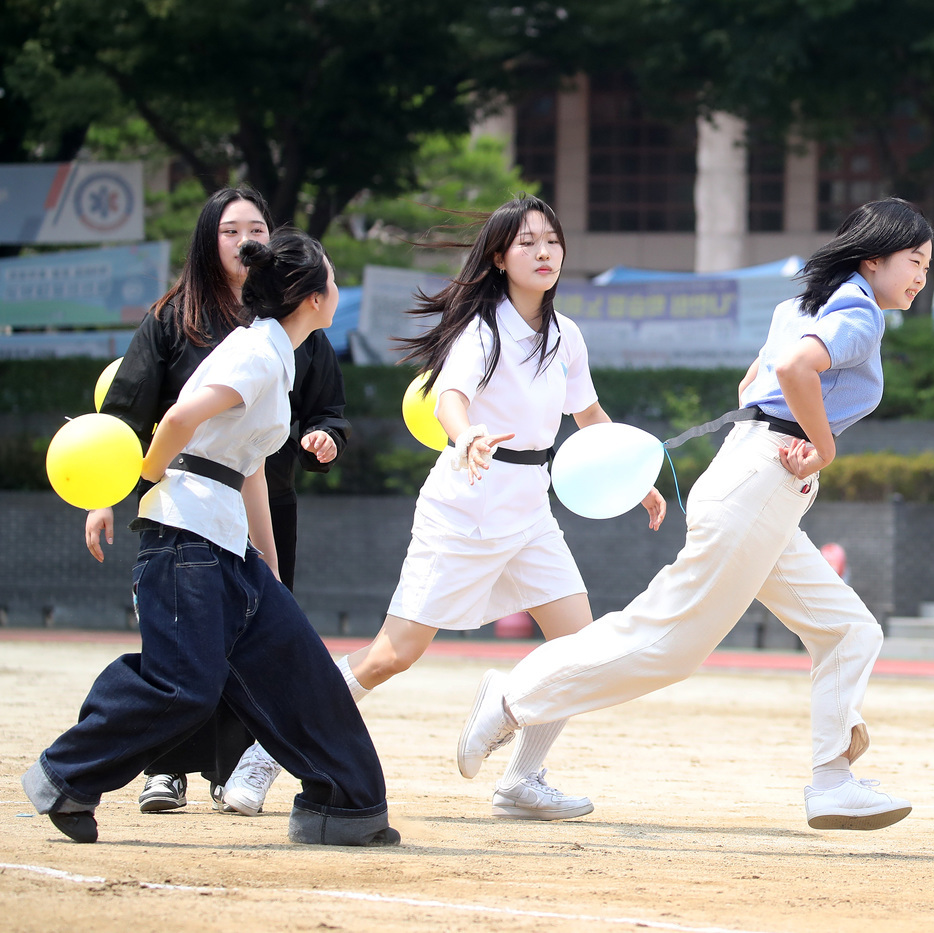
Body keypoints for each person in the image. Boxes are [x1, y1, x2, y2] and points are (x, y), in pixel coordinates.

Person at [456, 197, 931, 831]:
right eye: (915, 260)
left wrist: (788, 427)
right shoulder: (859, 312)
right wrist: (822, 442)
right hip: (760, 485)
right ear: (873, 261)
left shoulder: (804, 304)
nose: (921, 275)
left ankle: (832, 782)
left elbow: (755, 382)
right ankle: (513, 698)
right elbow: (792, 370)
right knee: (667, 644)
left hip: (758, 479)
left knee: (849, 631)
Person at [226, 194, 666, 821]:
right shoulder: (481, 328)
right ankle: (266, 752)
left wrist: (631, 474)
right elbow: (448, 401)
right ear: (498, 256)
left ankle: (521, 781)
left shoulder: (567, 336)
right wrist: (468, 438)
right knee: (391, 656)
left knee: (579, 647)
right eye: (527, 243)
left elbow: (589, 416)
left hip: (530, 510)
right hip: (464, 506)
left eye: (552, 241)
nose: (544, 252)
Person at [25, 230, 399, 847]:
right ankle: (65, 775)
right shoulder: (254, 355)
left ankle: (345, 805)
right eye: (331, 280)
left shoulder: (275, 357)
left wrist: (270, 570)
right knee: (184, 687)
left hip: (227, 544)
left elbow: (248, 467)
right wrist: (140, 482)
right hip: (185, 537)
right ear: (310, 298)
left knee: (303, 671)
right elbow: (176, 419)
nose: (336, 289)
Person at [84, 186, 350, 816]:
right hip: (189, 503)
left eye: (255, 229)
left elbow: (323, 415)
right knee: (183, 648)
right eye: (230, 231)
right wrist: (113, 489)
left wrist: (324, 437)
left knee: (255, 645)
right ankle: (163, 768)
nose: (245, 241)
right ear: (208, 241)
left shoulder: (300, 333)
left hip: (261, 501)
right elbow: (134, 412)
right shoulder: (180, 320)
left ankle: (234, 767)